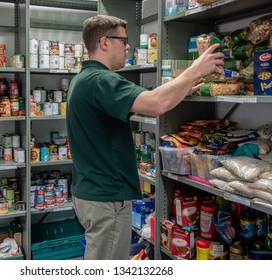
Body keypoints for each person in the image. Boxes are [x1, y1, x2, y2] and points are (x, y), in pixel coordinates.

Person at [67, 15, 224, 260]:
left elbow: (151, 101)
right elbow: (156, 103)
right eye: (124, 41)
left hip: (90, 192)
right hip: (106, 197)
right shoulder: (102, 80)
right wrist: (194, 70)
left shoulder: (83, 79)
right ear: (105, 42)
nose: (128, 47)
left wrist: (181, 87)